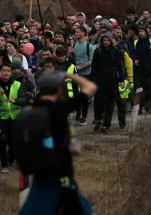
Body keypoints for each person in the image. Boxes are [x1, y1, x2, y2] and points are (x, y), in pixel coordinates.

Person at [18, 70, 98, 215]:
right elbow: (90, 87)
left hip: (39, 176)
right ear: (59, 88)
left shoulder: (31, 109)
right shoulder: (60, 108)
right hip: (61, 176)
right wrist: (66, 75)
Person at [0, 62, 26, 174]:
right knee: (2, 141)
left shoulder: (17, 84)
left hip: (15, 117)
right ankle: (4, 165)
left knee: (14, 142)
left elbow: (24, 100)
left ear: (11, 73)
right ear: (0, 72)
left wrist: (16, 100)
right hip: (2, 118)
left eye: (8, 71)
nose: (6, 72)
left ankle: (11, 162)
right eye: (4, 70)